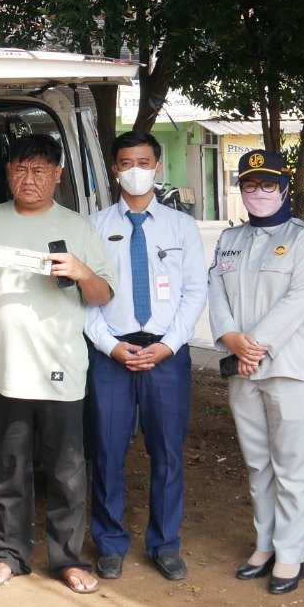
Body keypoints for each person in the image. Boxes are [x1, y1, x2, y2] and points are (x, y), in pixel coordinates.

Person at [0, 135, 115, 595]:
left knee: (66, 471)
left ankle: (68, 558)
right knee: (10, 468)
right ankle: (9, 554)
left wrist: (82, 272)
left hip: (62, 368)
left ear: (58, 175)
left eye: (40, 170)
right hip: (7, 368)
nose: (29, 179)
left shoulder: (77, 226)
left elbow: (103, 294)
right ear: (9, 174)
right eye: (21, 169)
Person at [84, 130, 207, 582]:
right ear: (115, 169)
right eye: (125, 162)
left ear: (157, 166)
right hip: (111, 353)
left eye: (143, 161)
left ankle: (164, 543)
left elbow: (195, 292)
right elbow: (82, 299)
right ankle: (110, 543)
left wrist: (168, 345)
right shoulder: (93, 226)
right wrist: (110, 346)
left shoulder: (182, 227)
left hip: (165, 353)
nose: (135, 170)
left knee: (167, 454)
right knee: (108, 452)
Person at [207, 148, 304, 596]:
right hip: (243, 367)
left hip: (290, 366)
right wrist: (230, 338)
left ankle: (291, 552)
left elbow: (301, 298)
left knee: (292, 463)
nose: (258, 193)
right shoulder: (229, 240)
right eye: (250, 185)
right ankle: (264, 543)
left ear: (284, 189)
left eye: (268, 185)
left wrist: (252, 345)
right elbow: (215, 289)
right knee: (258, 460)